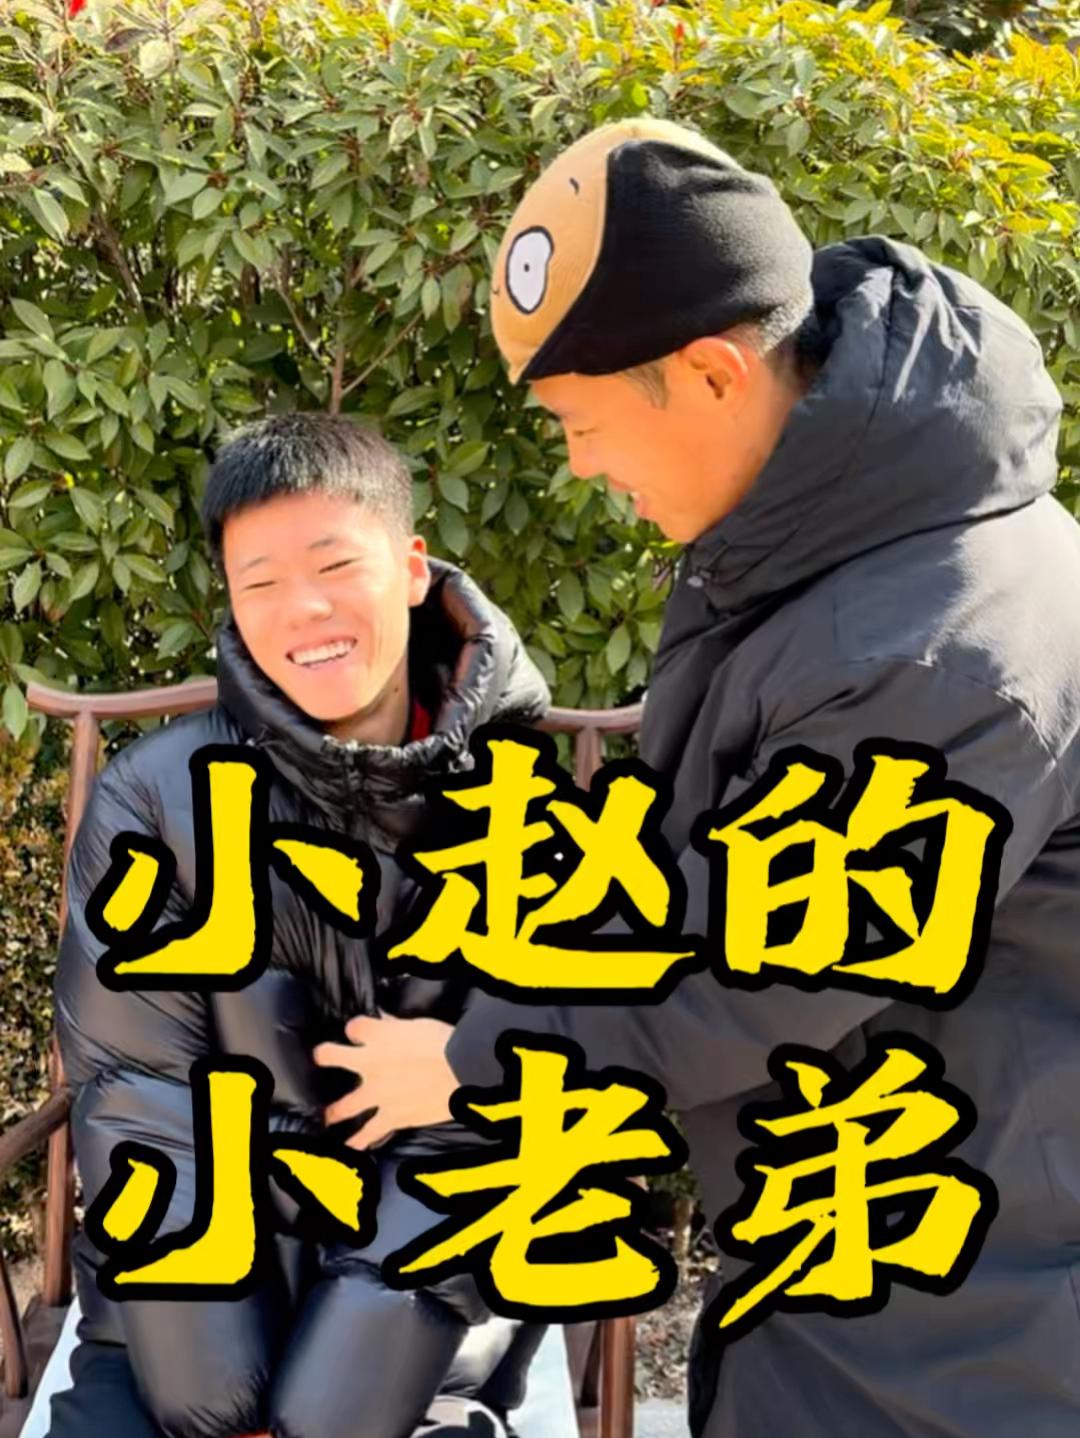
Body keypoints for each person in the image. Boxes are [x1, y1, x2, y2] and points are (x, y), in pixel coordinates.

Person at [320, 117, 1080, 1436]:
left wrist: (471, 1061)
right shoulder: (840, 533)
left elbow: (763, 973)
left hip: (956, 1320)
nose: (580, 463)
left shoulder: (932, 649)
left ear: (713, 374)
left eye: (583, 423)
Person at [51, 413, 549, 1438]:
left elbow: (519, 1104)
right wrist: (218, 1403)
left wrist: (333, 1409)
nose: (304, 609)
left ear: (411, 568)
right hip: (169, 1342)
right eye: (262, 582)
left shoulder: (530, 818)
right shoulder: (157, 802)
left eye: (334, 564)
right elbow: (142, 1101)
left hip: (432, 1350)